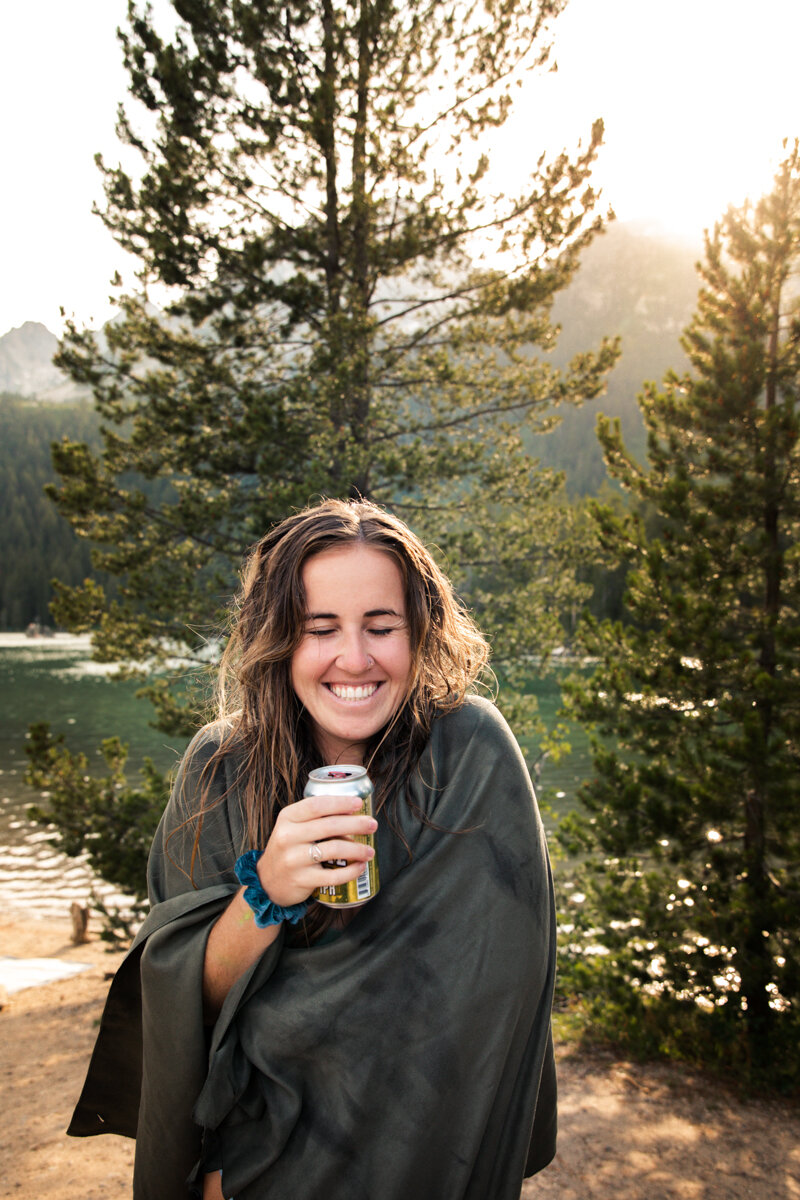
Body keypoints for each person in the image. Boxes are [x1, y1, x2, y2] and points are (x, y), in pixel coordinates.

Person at [69, 498, 558, 1200]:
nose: (353, 659)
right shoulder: (220, 769)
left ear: (420, 632)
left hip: (429, 1159)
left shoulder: (471, 755)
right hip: (253, 1169)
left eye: (381, 626)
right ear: (278, 638)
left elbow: (491, 1008)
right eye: (318, 629)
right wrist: (265, 892)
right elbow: (181, 999)